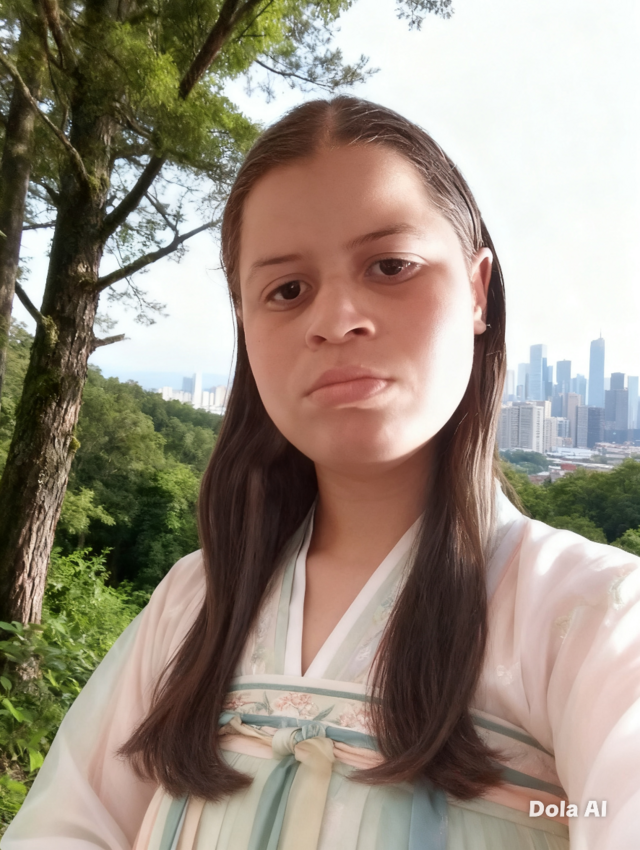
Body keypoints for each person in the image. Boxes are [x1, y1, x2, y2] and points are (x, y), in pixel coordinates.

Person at [4, 97, 640, 850]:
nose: (337, 320)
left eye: (390, 266)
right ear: (246, 325)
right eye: (287, 290)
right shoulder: (193, 605)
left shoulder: (592, 617)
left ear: (477, 290)